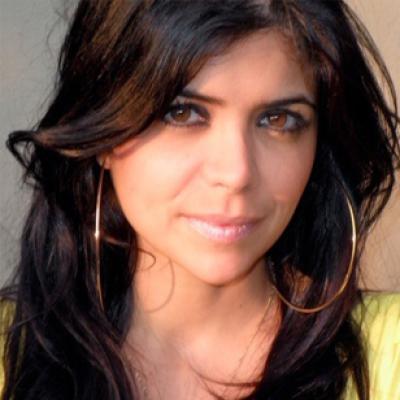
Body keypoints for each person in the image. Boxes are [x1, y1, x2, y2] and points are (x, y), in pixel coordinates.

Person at [0, 0, 399, 399]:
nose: (236, 173)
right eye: (183, 113)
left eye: (278, 120)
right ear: (103, 133)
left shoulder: (389, 358)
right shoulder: (9, 356)